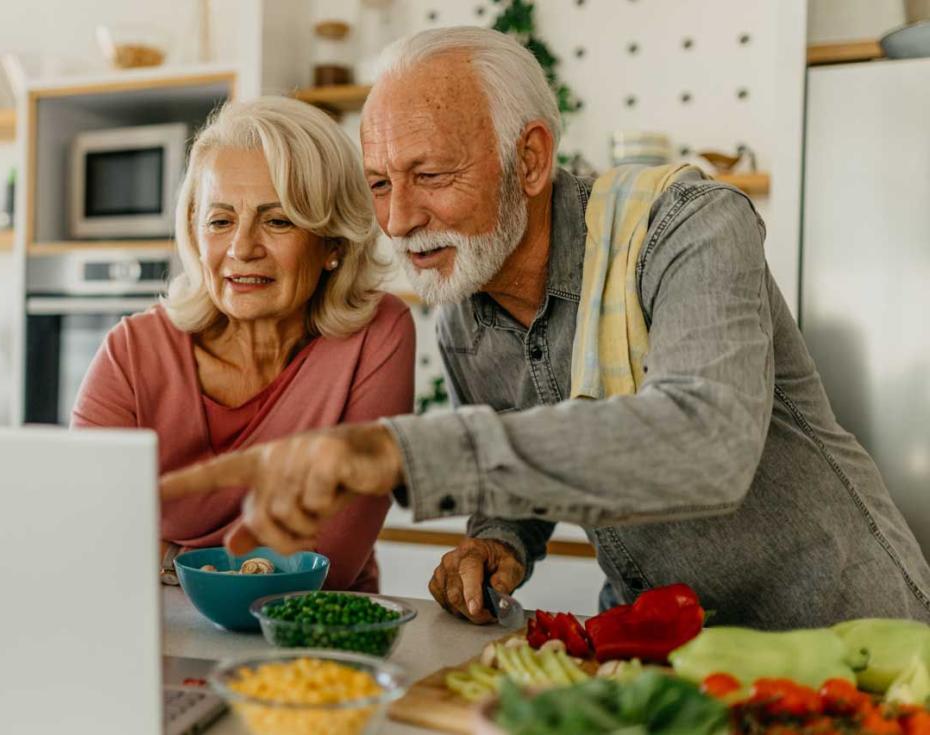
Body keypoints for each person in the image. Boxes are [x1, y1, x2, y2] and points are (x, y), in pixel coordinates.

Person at [161, 27, 930, 628]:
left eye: (431, 176)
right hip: (661, 658)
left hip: (844, 643)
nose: (399, 220)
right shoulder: (465, 304)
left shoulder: (690, 227)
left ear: (528, 159)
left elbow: (707, 445)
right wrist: (499, 540)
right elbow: (521, 467)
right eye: (380, 185)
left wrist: (398, 449)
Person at [72, 97, 415, 592]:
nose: (242, 248)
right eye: (220, 220)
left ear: (333, 245)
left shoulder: (377, 335)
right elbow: (86, 539)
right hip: (150, 632)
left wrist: (166, 560)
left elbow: (323, 566)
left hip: (309, 644)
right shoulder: (132, 352)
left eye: (277, 221)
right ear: (195, 232)